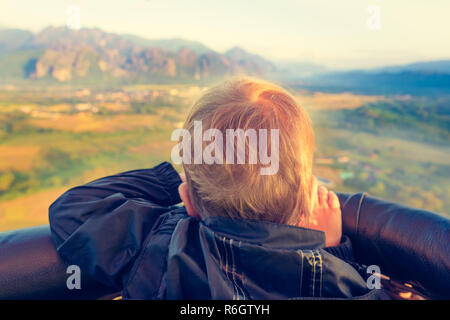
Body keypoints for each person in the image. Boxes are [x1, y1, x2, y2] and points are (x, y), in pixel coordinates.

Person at [49, 77, 388, 299]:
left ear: (189, 203)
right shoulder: (334, 281)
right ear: (307, 202)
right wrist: (330, 250)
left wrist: (180, 181)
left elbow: (73, 208)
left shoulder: (159, 243)